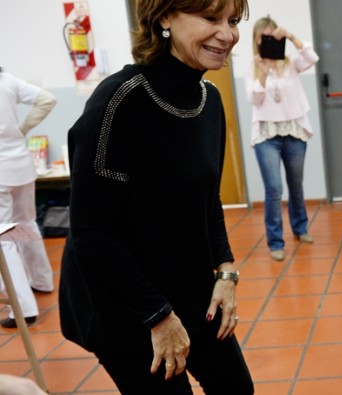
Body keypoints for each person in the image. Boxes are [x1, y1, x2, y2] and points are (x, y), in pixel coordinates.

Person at [59, 0, 253, 393]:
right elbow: (91, 231)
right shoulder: (118, 101)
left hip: (187, 284)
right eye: (210, 18)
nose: (228, 34)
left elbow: (208, 200)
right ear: (164, 16)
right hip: (123, 300)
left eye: (232, 21)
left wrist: (226, 271)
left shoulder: (208, 100)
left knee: (236, 388)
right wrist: (158, 316)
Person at [247, 16, 319, 261]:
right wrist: (264, 74)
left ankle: (300, 228)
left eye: (273, 36)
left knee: (296, 185)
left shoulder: (290, 63)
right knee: (274, 189)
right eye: (265, 37)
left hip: (294, 130)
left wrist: (290, 36)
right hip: (266, 134)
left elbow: (312, 57)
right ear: (256, 40)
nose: (270, 41)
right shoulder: (252, 67)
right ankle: (275, 241)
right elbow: (254, 99)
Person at [0, 68, 57, 328]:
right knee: (25, 223)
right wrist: (20, 129)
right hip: (21, 165)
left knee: (4, 238)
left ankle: (23, 308)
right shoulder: (7, 79)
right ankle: (41, 281)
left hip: (1, 171)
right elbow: (47, 99)